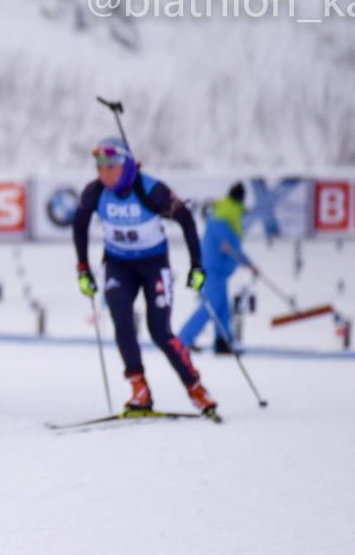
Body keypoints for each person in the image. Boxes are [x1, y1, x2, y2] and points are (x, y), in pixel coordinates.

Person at [73, 136, 218, 415]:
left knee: (159, 331)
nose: (104, 174)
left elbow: (186, 220)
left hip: (153, 265)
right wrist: (83, 269)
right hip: (118, 264)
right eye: (99, 168)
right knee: (122, 321)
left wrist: (197, 266)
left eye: (111, 167)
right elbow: (79, 225)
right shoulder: (95, 192)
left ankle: (195, 387)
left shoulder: (151, 190)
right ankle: (139, 388)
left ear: (126, 165)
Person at [178, 182, 255, 353]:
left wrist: (248, 263)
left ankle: (223, 341)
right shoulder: (230, 213)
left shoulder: (222, 210)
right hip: (213, 270)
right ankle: (183, 339)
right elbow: (230, 247)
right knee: (210, 306)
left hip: (214, 270)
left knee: (222, 308)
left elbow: (230, 245)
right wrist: (248, 264)